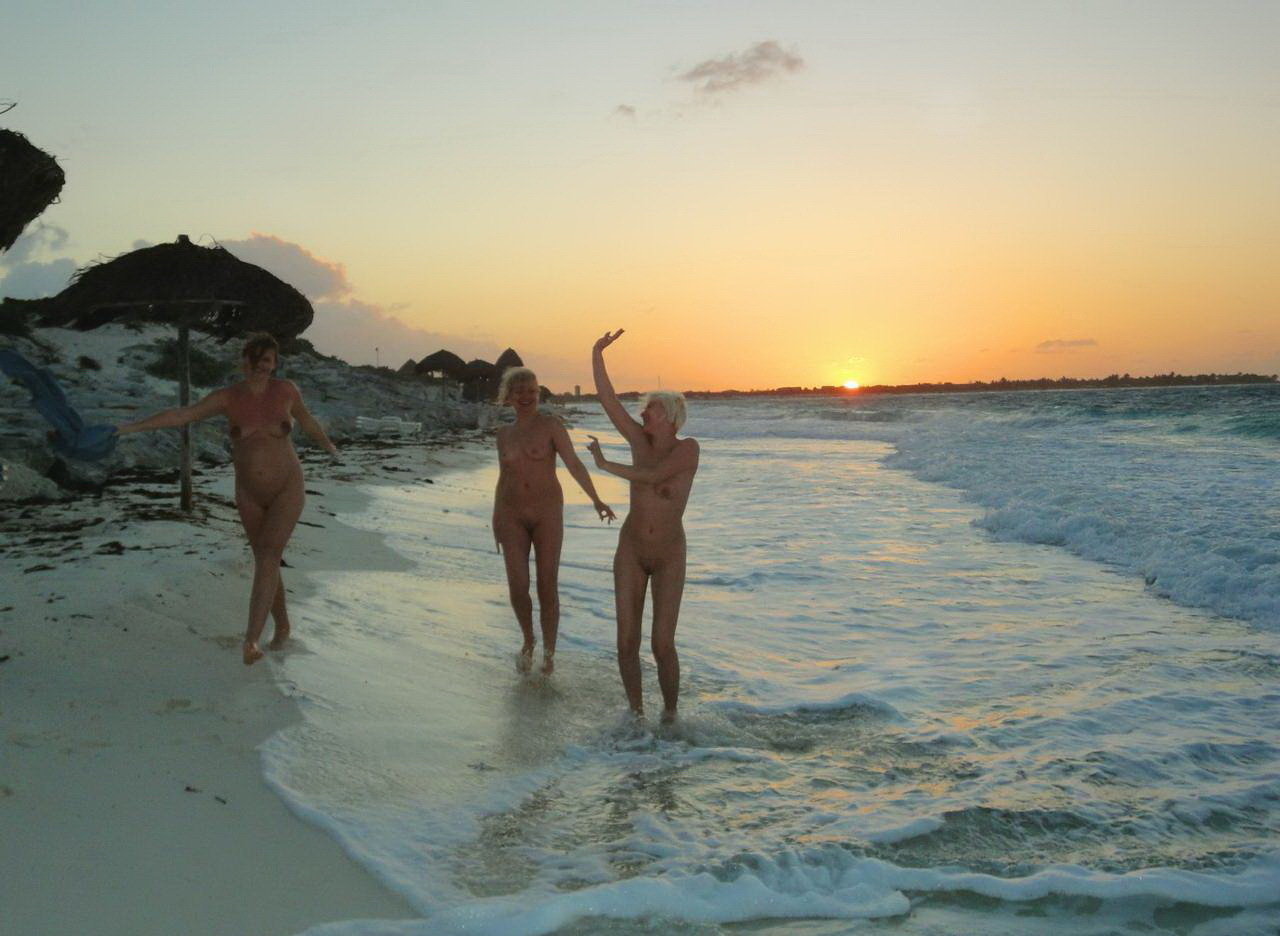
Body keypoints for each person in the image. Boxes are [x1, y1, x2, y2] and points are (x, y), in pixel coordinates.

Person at [115, 332, 338, 665]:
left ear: (275, 364)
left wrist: (328, 446)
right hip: (248, 492)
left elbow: (306, 420)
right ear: (243, 361)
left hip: (287, 488)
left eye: (266, 360)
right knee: (266, 559)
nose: (260, 366)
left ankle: (251, 640)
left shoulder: (286, 391)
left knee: (268, 555)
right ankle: (282, 627)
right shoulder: (227, 398)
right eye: (254, 359)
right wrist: (126, 429)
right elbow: (181, 415)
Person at [586, 330, 699, 723]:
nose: (641, 414)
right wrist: (597, 353)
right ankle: (636, 716)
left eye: (649, 408)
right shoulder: (637, 441)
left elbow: (653, 478)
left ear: (668, 415)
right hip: (632, 550)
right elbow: (608, 400)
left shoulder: (688, 449)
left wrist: (605, 465)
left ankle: (670, 716)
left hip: (669, 554)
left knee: (662, 644)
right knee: (626, 642)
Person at [492, 366, 616, 675]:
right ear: (509, 396)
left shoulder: (551, 426)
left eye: (532, 391)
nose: (526, 396)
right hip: (511, 515)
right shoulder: (503, 434)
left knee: (547, 584)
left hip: (547, 514)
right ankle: (528, 639)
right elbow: (503, 477)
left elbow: (573, 464)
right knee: (518, 586)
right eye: (519, 391)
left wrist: (596, 499)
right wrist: (496, 518)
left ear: (539, 393)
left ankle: (549, 652)